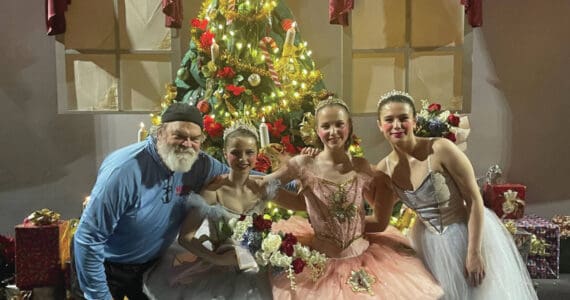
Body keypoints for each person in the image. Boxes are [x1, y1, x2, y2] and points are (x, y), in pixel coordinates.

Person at [265, 97, 443, 299]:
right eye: (326, 126)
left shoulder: (361, 167)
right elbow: (268, 186)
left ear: (349, 127)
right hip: (320, 259)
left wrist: (353, 226)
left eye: (339, 124)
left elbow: (378, 219)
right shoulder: (304, 165)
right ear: (317, 130)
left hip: (364, 256)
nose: (333, 132)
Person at [375, 90, 537, 299]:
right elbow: (380, 219)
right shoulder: (384, 170)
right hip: (426, 245)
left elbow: (473, 199)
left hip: (463, 236)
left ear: (414, 120)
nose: (396, 125)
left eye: (403, 118)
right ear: (380, 125)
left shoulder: (441, 149)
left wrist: (474, 252)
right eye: (389, 120)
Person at [72, 103, 231, 300]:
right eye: (179, 135)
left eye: (195, 139)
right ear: (160, 134)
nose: (187, 144)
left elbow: (241, 181)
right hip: (104, 267)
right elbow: (88, 238)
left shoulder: (200, 165)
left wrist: (279, 180)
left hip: (150, 267)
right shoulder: (124, 171)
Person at [142, 121, 300, 299]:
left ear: (257, 155)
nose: (243, 159)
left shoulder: (262, 188)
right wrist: (216, 259)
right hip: (219, 271)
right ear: (225, 154)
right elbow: (186, 237)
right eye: (235, 152)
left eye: (249, 153)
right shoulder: (213, 190)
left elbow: (301, 203)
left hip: (256, 269)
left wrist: (308, 176)